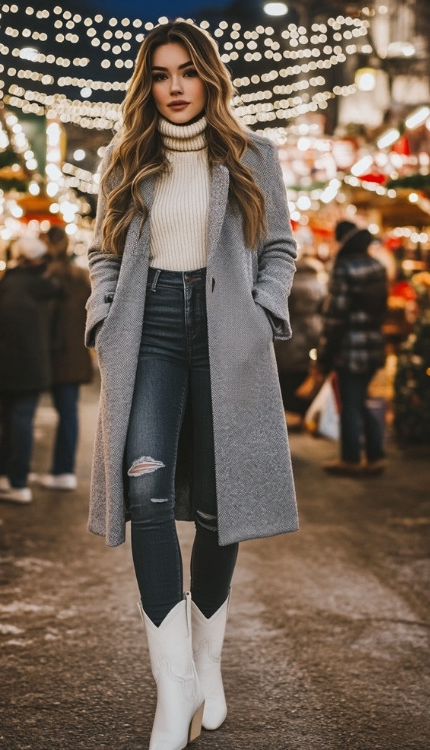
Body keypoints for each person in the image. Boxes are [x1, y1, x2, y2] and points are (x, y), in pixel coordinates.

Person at [85, 21, 298, 750]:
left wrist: (263, 313)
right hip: (150, 339)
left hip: (226, 338)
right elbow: (103, 251)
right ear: (146, 84)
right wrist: (102, 313)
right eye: (159, 74)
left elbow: (279, 246)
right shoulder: (124, 157)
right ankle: (172, 685)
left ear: (209, 76)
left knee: (218, 504)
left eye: (186, 72)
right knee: (145, 492)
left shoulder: (252, 155)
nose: (173, 87)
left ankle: (208, 663)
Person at [0, 237, 59, 504]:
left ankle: (8, 477)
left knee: (10, 422)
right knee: (21, 421)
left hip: (6, 362)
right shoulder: (44, 286)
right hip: (31, 363)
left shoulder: (8, 284)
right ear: (35, 260)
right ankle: (17, 481)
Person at [317, 220, 388, 477]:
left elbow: (336, 315)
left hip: (350, 348)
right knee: (360, 399)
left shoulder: (343, 268)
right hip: (373, 346)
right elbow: (382, 310)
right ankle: (375, 454)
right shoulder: (377, 267)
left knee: (350, 403)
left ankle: (351, 458)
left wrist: (325, 354)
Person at [36, 225, 93, 491]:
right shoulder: (81, 277)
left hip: (50, 355)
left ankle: (52, 472)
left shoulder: (47, 277)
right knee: (68, 413)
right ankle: (63, 470)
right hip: (74, 355)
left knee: (26, 414)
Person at [274, 250, 327, 427]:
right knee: (306, 373)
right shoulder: (319, 284)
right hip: (313, 331)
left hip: (290, 333)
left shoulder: (290, 282)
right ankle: (304, 413)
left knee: (288, 374)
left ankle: (290, 413)